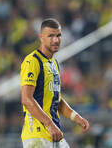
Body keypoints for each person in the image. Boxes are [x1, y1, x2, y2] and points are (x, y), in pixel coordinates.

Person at [20, 18, 90, 148]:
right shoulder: (32, 61)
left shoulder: (55, 64)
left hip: (54, 135)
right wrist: (49, 124)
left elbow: (55, 99)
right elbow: (26, 99)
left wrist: (76, 117)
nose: (56, 40)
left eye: (58, 35)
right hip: (37, 136)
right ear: (41, 37)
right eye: (50, 36)